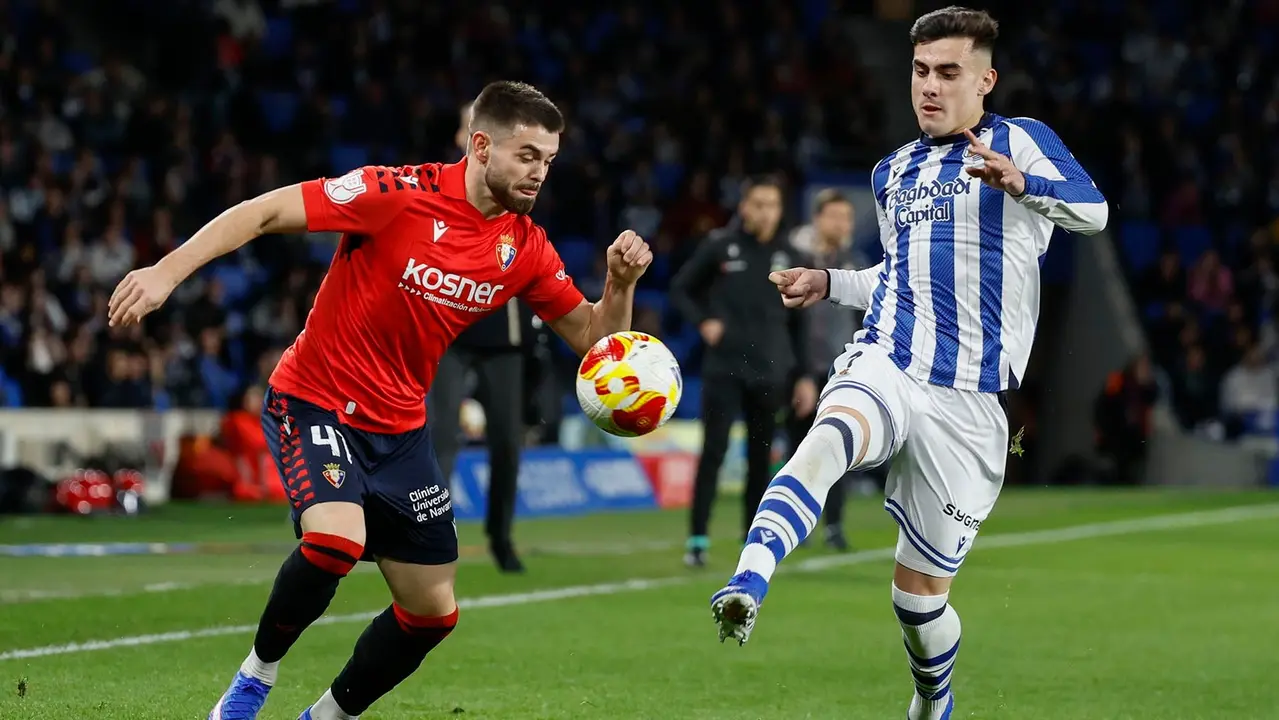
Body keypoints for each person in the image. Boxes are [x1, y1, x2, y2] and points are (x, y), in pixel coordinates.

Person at [107, 80, 652, 720]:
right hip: (316, 400)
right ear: (481, 146)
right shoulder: (393, 195)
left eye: (549, 161)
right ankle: (254, 680)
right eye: (527, 155)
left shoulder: (523, 247)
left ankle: (325, 718)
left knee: (432, 612)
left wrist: (618, 286)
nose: (539, 173)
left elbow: (594, 341)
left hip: (401, 431)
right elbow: (262, 212)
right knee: (335, 543)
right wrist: (166, 272)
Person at [708, 8, 1108, 720]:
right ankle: (749, 577)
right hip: (889, 358)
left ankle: (933, 699)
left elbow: (1095, 212)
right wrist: (829, 282)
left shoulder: (1021, 143)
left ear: (983, 80)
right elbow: (896, 275)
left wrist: (1023, 185)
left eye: (947, 73)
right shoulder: (893, 170)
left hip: (969, 403)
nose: (928, 86)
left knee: (916, 601)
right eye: (920, 71)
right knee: (829, 436)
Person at [669, 175, 816, 568]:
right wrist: (704, 322)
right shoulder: (721, 245)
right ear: (744, 207)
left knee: (761, 459)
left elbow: (801, 324)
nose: (764, 211)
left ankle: (751, 543)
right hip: (725, 369)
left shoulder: (792, 255)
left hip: (771, 371)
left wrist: (803, 375)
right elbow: (681, 288)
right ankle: (697, 540)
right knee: (713, 452)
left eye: (772, 204)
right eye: (758, 203)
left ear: (780, 210)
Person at [428, 99, 534, 574]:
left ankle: (501, 537)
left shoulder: (509, 187)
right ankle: (428, 532)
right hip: (447, 331)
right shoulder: (438, 189)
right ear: (468, 139)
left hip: (501, 333)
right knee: (440, 436)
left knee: (507, 440)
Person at [785, 188, 867, 551]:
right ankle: (793, 523)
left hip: (842, 369)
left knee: (839, 451)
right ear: (817, 218)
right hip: (802, 368)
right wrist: (798, 370)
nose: (841, 223)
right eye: (834, 215)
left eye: (846, 217)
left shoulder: (857, 264)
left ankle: (834, 525)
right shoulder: (795, 259)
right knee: (799, 448)